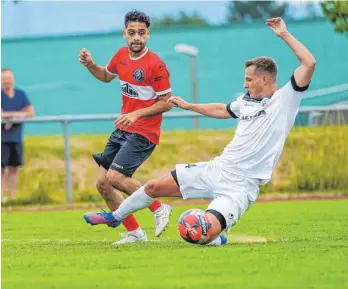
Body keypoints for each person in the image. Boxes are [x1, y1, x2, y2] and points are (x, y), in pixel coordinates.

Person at [88, 17, 316, 246]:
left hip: (241, 187)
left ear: (264, 79)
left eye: (248, 80)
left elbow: (309, 63)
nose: (245, 84)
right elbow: (221, 109)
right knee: (154, 186)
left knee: (201, 233)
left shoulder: (285, 99)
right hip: (219, 168)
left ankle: (215, 237)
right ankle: (115, 217)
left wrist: (284, 34)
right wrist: (189, 106)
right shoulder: (246, 101)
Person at [80, 10, 174, 244]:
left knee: (115, 178)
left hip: (144, 132)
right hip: (124, 128)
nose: (136, 37)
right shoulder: (121, 55)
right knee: (103, 184)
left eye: (141, 33)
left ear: (148, 35)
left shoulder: (155, 64)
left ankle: (159, 207)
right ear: (124, 34)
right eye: (131, 32)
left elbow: (167, 103)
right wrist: (91, 64)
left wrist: (137, 114)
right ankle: (135, 233)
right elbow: (104, 76)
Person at [1, 68, 35, 203]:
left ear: (13, 79)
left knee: (14, 168)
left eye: (8, 78)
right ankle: (2, 197)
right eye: (4, 79)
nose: (7, 81)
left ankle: (12, 197)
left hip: (16, 138)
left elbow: (30, 112)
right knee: (2, 170)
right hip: (2, 140)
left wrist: (12, 115)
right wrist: (16, 114)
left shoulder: (20, 94)